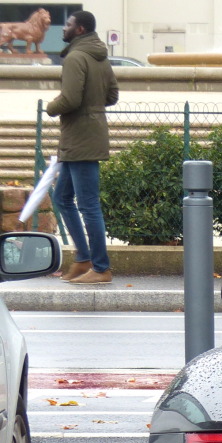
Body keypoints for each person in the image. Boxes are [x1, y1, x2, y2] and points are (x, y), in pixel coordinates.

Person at [47, 10, 118, 284]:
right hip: (89, 134)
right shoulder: (100, 56)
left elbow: (71, 99)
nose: (63, 28)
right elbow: (112, 95)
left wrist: (52, 107)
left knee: (88, 205)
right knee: (62, 198)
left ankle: (101, 268)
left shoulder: (76, 57)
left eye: (68, 24)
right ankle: (83, 258)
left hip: (80, 137)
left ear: (79, 30)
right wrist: (93, 106)